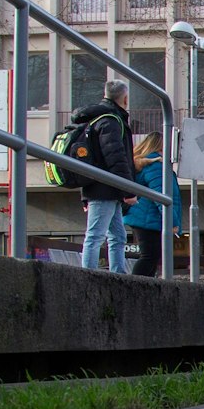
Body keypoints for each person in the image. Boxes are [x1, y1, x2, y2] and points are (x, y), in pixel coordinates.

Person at [74, 79, 135, 273]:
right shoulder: (110, 121)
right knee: (96, 235)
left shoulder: (96, 119)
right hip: (105, 189)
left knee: (117, 236)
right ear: (125, 99)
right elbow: (116, 158)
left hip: (102, 188)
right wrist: (128, 190)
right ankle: (88, 274)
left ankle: (119, 273)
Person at [122, 132, 181, 277]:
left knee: (150, 256)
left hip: (143, 215)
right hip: (148, 217)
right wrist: (172, 222)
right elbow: (161, 195)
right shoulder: (155, 166)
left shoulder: (144, 163)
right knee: (150, 256)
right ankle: (135, 288)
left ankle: (143, 288)